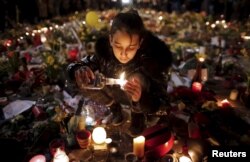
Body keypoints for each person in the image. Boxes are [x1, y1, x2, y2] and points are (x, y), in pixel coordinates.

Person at [67, 9, 172, 136]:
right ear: (111, 40)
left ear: (140, 43)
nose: (123, 54)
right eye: (118, 46)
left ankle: (137, 117)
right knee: (84, 79)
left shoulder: (151, 61)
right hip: (113, 93)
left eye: (131, 47)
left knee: (136, 79)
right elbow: (80, 65)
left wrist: (141, 98)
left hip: (139, 101)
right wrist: (78, 70)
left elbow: (163, 104)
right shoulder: (104, 54)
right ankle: (115, 108)